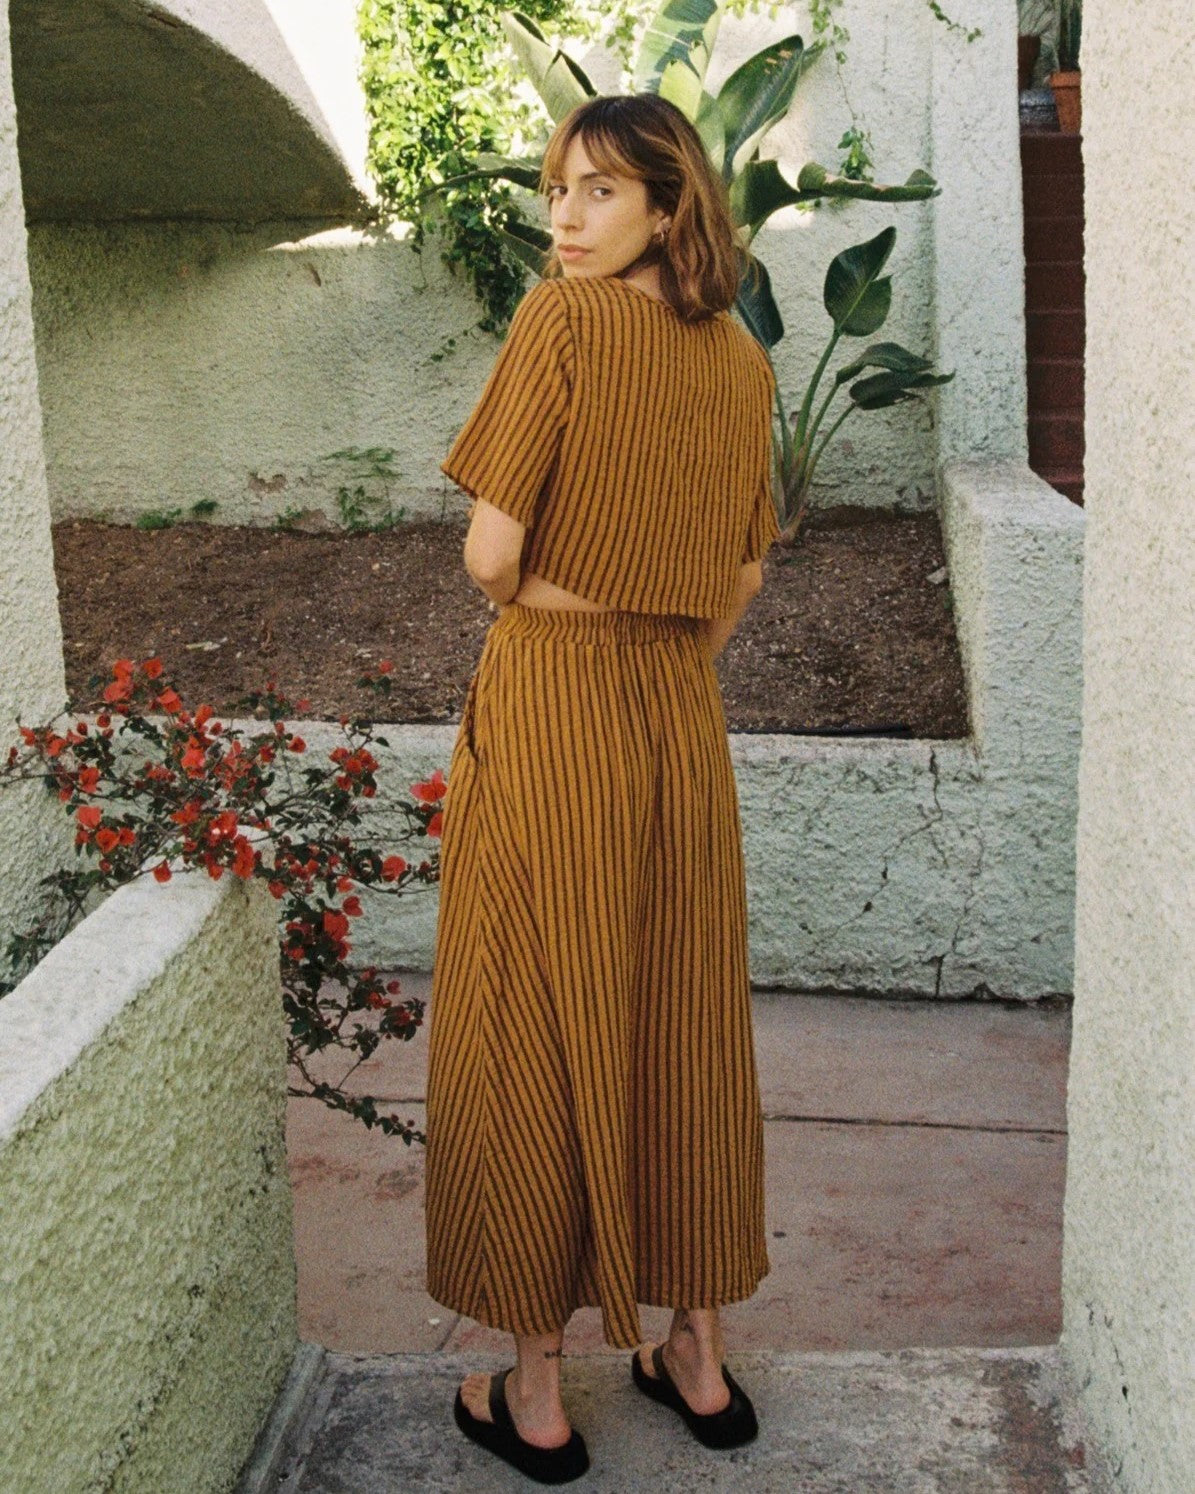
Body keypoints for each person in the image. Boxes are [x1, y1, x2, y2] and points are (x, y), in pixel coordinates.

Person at [425, 91, 782, 1485]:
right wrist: (667, 638)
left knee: (527, 1017)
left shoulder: (559, 325)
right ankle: (694, 1349)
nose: (562, 219)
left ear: (666, 208)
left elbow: (488, 556)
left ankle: (534, 1389)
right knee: (680, 1016)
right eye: (556, 189)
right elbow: (743, 571)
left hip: (556, 696)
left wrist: (578, 606)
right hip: (677, 718)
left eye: (597, 193)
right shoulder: (742, 363)